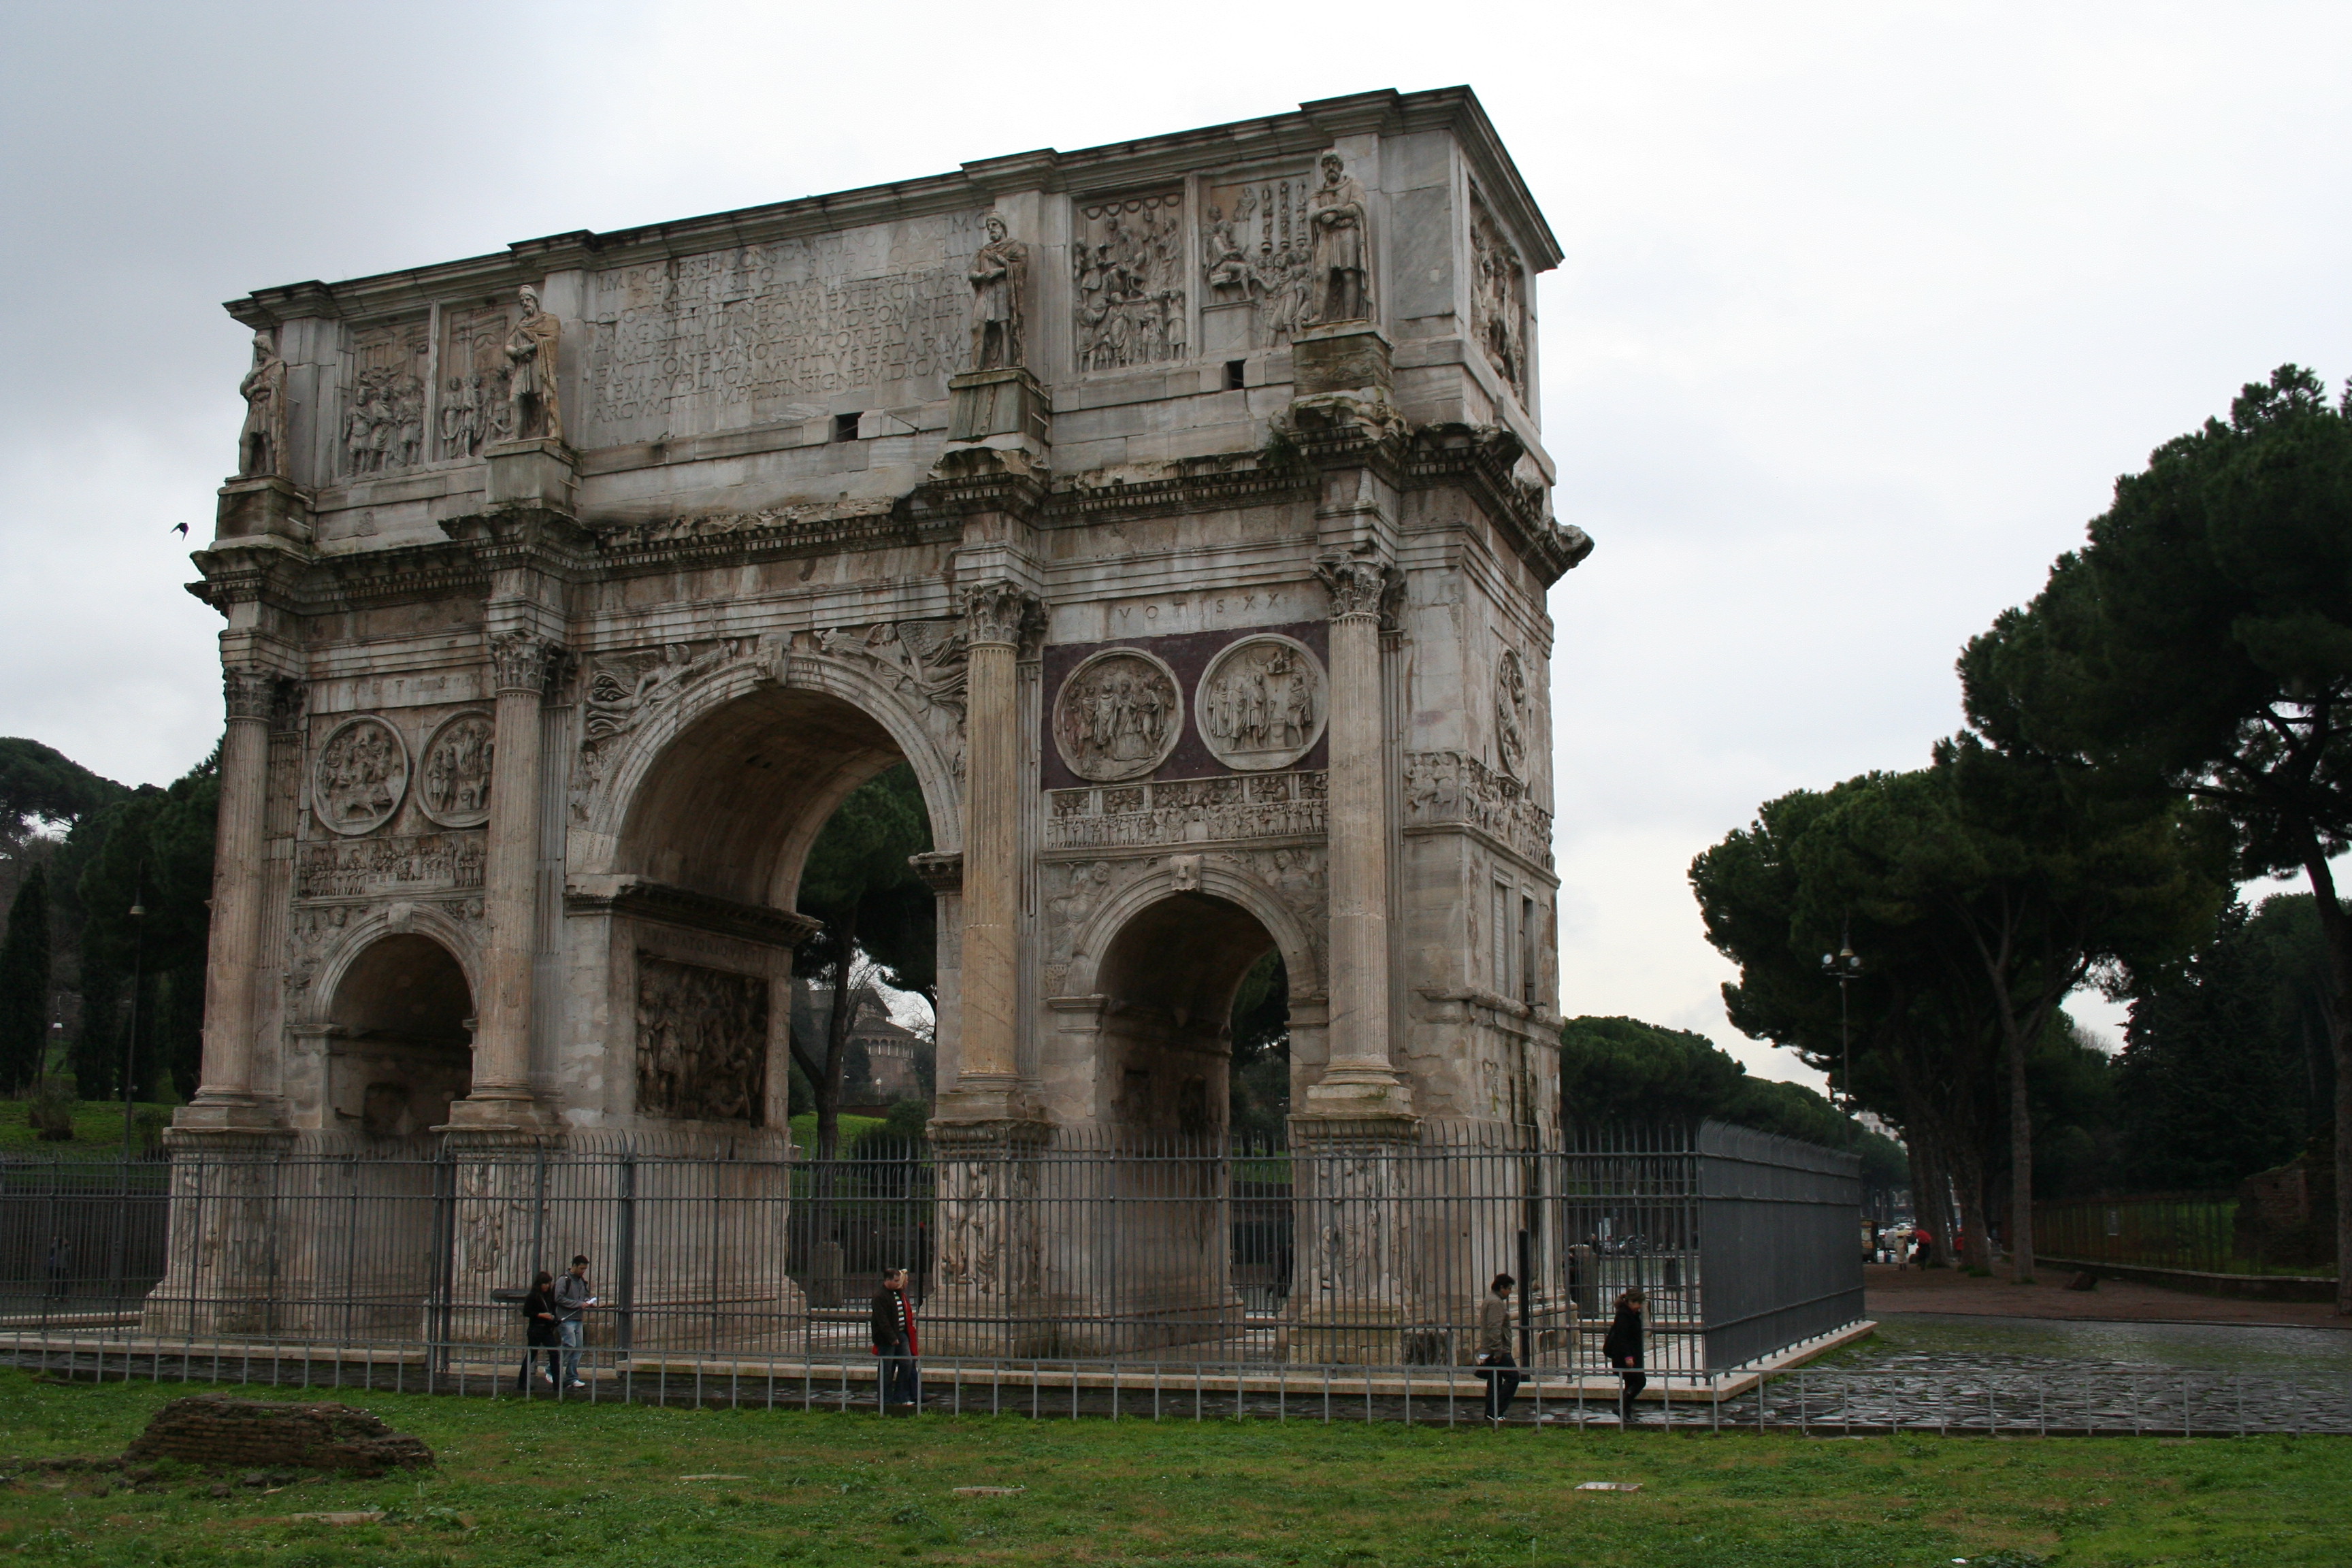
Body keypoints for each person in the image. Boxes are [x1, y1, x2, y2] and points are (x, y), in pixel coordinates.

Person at [1474, 1271, 1522, 1422]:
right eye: (1509, 1289)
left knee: (1494, 1381)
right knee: (1513, 1377)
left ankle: (1491, 1413)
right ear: (1502, 1287)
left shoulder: (1490, 1299)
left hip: (1492, 1348)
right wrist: (1498, 1349)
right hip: (1498, 1349)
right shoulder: (1495, 1303)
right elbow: (1494, 1327)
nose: (1510, 1293)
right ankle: (1496, 1410)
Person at [870, 1267, 919, 1412]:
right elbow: (882, 1320)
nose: (899, 1283)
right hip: (886, 1338)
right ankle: (885, 1399)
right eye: (896, 1280)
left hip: (901, 1335)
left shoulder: (898, 1293)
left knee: (907, 1363)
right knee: (886, 1369)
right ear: (887, 1280)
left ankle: (901, 1396)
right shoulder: (880, 1296)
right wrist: (892, 1338)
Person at [1603, 1288, 1646, 1424]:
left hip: (1633, 1355)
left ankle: (1625, 1411)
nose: (1640, 1306)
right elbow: (1622, 1338)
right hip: (1625, 1357)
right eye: (1638, 1303)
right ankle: (1621, 1408)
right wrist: (1628, 1356)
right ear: (1631, 1302)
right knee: (1639, 1381)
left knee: (1631, 1383)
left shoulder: (1632, 1314)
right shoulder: (1623, 1316)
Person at [553, 1254, 596, 1389]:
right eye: (581, 1268)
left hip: (578, 1318)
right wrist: (578, 1304)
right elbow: (559, 1298)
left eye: (585, 1269)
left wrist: (588, 1302)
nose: (583, 1271)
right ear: (575, 1266)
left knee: (578, 1349)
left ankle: (572, 1377)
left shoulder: (581, 1281)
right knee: (570, 1345)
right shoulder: (564, 1280)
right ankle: (552, 1367)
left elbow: (585, 1295)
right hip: (566, 1318)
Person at [518, 1271, 561, 1392]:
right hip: (536, 1329)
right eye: (545, 1284)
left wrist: (554, 1320)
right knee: (531, 1355)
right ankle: (522, 1383)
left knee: (554, 1354)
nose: (547, 1286)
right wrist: (541, 1315)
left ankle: (557, 1384)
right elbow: (527, 1312)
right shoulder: (533, 1296)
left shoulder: (548, 1297)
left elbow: (552, 1310)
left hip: (547, 1329)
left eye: (548, 1284)